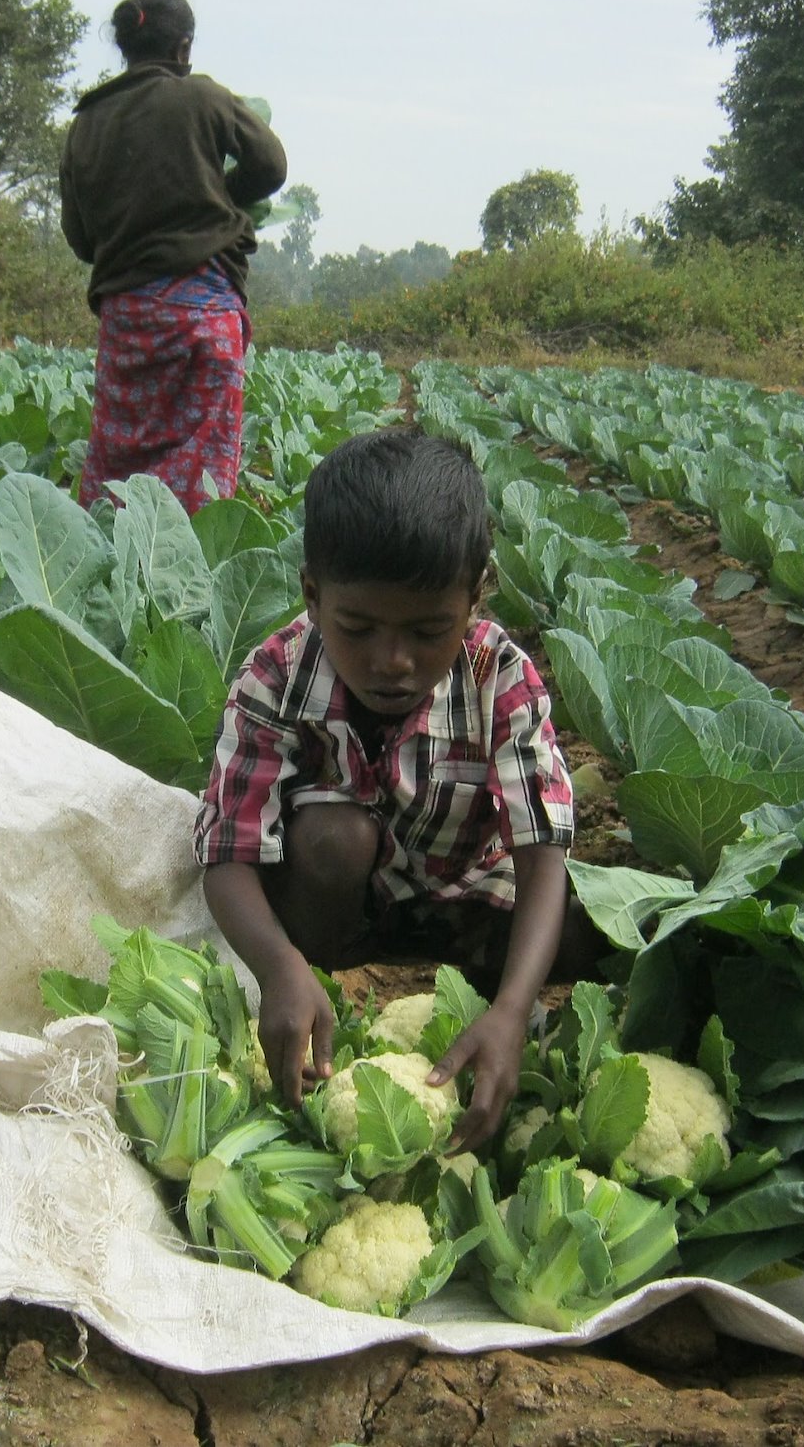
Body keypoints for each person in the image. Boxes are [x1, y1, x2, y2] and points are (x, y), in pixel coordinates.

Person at [195, 431, 587, 1152]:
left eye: (429, 630)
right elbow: (226, 851)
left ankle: (493, 1015)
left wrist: (510, 1008)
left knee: (590, 920)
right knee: (331, 837)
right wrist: (278, 967)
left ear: (475, 598)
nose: (392, 660)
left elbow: (542, 852)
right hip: (335, 906)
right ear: (313, 594)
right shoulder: (275, 677)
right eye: (359, 626)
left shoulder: (500, 678)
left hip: (463, 896)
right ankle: (313, 983)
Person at [58, 0, 287, 515]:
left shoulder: (86, 123)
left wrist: (130, 235)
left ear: (126, 49)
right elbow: (271, 166)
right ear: (183, 49)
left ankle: (116, 576)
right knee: (201, 467)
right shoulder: (202, 96)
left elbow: (79, 238)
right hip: (204, 319)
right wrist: (220, 198)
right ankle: (186, 582)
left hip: (129, 321)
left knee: (122, 458)